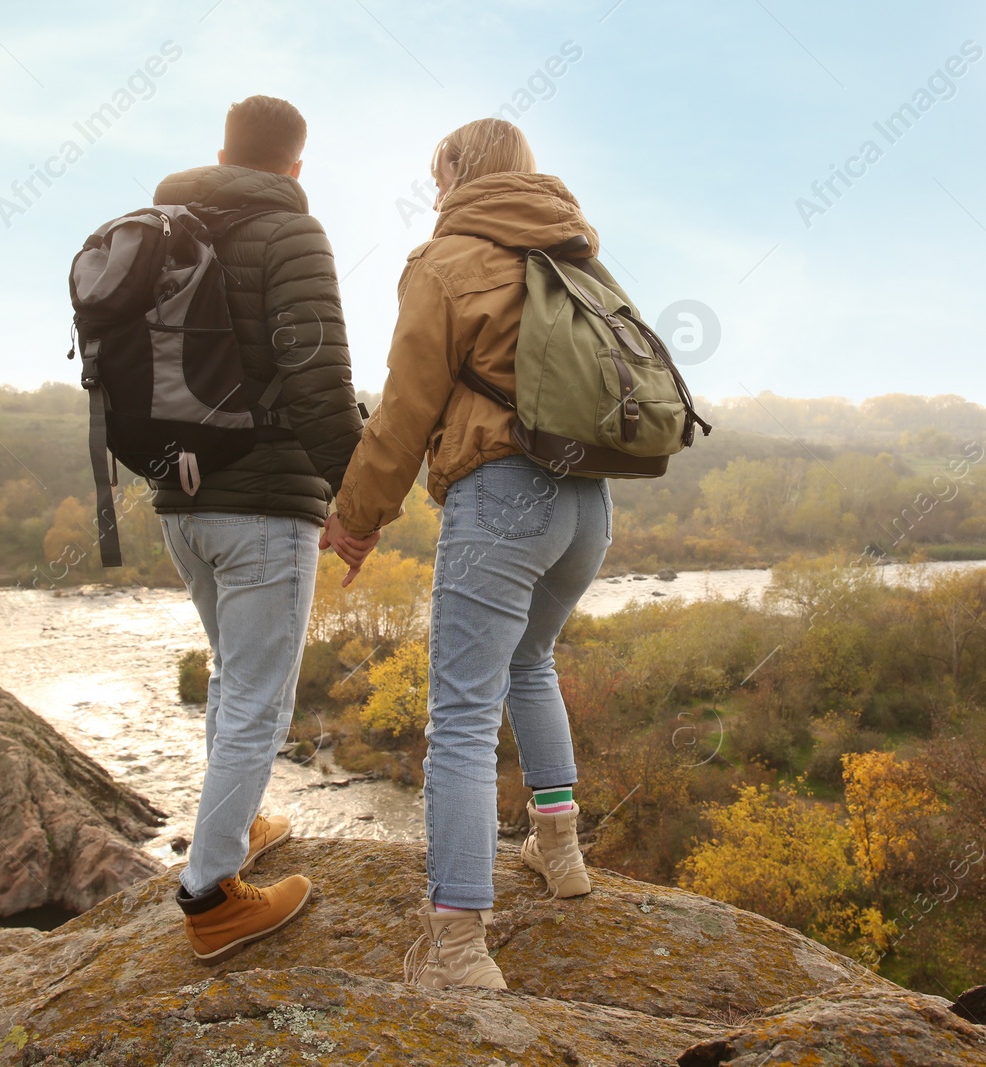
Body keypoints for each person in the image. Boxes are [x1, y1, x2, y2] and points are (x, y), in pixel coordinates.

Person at [323, 118, 610, 989]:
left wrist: (357, 516)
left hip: (502, 497)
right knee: (531, 661)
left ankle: (457, 946)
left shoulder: (442, 262)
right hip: (586, 503)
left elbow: (404, 410)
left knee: (459, 715)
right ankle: (559, 854)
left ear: (456, 172)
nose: (434, 188)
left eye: (436, 171)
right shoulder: (573, 253)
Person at [150, 95, 372, 961]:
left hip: (181, 502)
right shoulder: (293, 233)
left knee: (230, 680)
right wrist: (356, 503)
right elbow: (318, 380)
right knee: (259, 698)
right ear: (296, 166)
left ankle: (231, 833)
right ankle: (211, 898)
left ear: (222, 153)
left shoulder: (162, 226)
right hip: (265, 505)